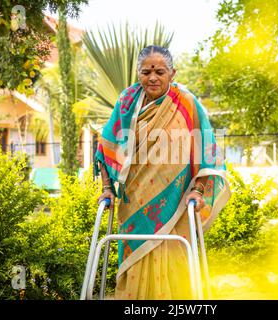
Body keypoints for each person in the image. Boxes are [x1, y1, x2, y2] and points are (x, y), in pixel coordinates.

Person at [95, 45, 231, 299]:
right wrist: (106, 189)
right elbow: (106, 147)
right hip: (133, 203)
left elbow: (205, 152)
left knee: (173, 267)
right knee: (136, 266)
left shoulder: (187, 104)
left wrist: (198, 190)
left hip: (175, 205)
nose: (153, 77)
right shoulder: (126, 102)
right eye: (146, 72)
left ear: (173, 73)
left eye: (160, 71)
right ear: (138, 74)